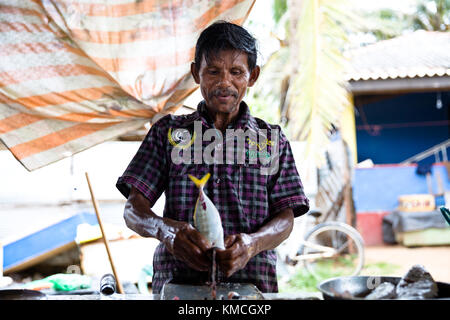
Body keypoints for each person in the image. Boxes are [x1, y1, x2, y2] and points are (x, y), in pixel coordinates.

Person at [116, 21, 309, 294]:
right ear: (196, 73)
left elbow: (286, 218)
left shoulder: (271, 140)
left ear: (252, 76)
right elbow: (133, 209)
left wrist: (252, 244)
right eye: (213, 71)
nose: (224, 83)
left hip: (253, 288)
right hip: (177, 287)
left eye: (236, 72)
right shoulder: (167, 133)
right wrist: (166, 232)